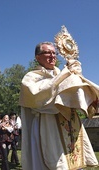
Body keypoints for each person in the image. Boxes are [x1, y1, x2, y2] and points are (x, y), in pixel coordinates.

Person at [19, 42, 99, 170]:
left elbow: (76, 96)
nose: (52, 56)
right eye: (47, 52)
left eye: (54, 53)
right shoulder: (31, 77)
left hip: (70, 123)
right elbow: (37, 97)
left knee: (73, 161)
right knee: (54, 163)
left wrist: (87, 92)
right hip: (47, 123)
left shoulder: (64, 73)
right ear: (38, 57)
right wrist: (65, 76)